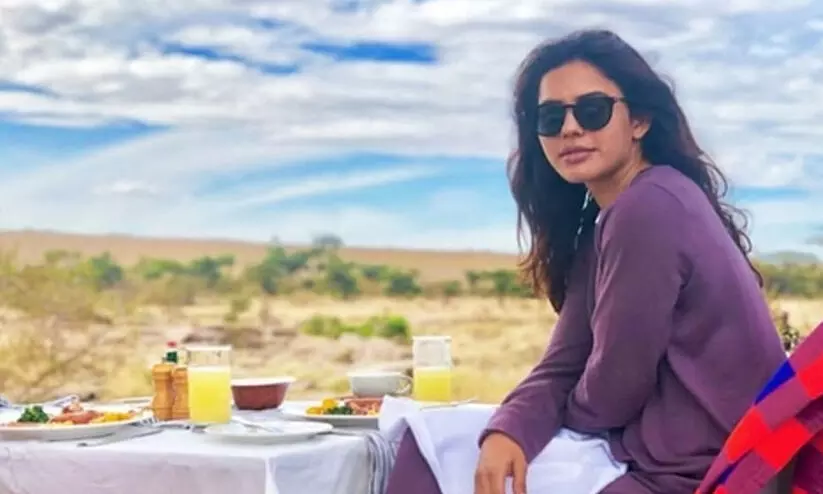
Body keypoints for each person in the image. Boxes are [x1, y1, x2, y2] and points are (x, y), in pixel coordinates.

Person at [384, 29, 787, 494]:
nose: (570, 129)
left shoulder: (649, 207)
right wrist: (511, 428)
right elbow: (564, 361)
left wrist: (549, 416)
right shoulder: (609, 220)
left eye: (592, 110)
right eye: (551, 117)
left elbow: (615, 389)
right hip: (657, 455)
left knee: (432, 449)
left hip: (705, 473)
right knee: (450, 441)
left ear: (639, 121)